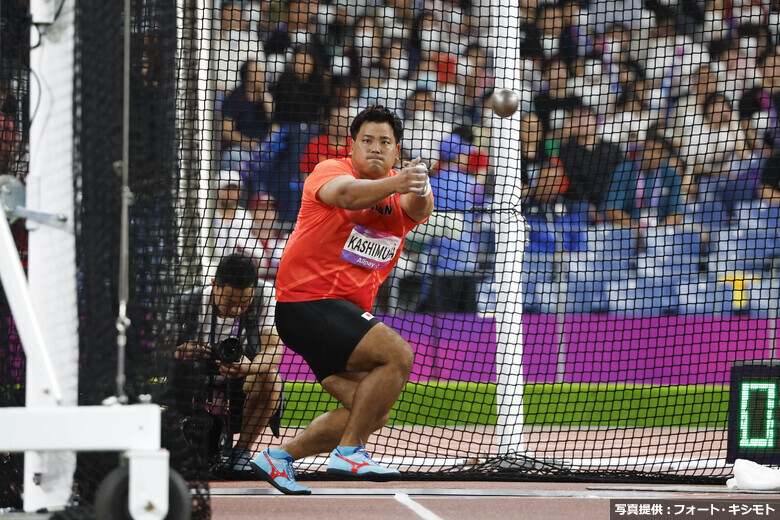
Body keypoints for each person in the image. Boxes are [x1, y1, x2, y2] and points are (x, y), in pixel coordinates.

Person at [249, 105, 434, 494]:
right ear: (352, 146)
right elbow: (348, 197)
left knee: (371, 409)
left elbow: (419, 209)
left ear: (396, 151)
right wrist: (399, 182)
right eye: (366, 140)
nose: (375, 148)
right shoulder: (331, 171)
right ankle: (350, 452)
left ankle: (279, 457)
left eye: (385, 142)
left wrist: (419, 185)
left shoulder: (399, 192)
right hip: (307, 301)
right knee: (398, 355)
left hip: (337, 315)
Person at [170, 253, 284, 472]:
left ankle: (241, 451)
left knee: (270, 378)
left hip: (241, 382)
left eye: (244, 303)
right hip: (192, 383)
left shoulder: (266, 295)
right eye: (230, 302)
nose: (236, 310)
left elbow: (274, 349)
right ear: (215, 285)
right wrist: (179, 352)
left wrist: (247, 366)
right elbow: (157, 350)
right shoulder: (188, 303)